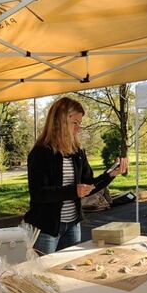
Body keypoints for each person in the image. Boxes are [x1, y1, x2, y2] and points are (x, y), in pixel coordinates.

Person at [24, 97, 127, 254]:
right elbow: (39, 194)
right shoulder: (41, 152)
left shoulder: (77, 152)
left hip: (73, 226)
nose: (79, 128)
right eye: (75, 123)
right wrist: (73, 191)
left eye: (80, 123)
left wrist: (110, 174)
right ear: (60, 121)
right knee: (45, 275)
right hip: (47, 228)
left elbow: (89, 185)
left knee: (70, 271)